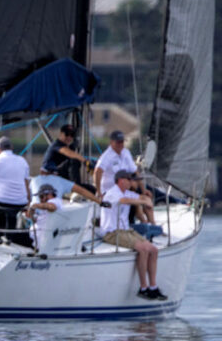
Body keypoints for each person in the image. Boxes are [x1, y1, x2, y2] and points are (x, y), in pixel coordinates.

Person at [100, 170, 167, 301]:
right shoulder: (112, 193)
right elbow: (124, 200)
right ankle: (143, 288)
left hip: (126, 230)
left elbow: (142, 198)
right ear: (121, 180)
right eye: (130, 180)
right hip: (112, 232)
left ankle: (153, 287)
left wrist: (147, 199)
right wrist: (143, 202)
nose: (133, 182)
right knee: (143, 249)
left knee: (153, 250)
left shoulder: (127, 192)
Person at [94, 131, 155, 224]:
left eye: (122, 142)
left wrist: (144, 190)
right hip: (111, 191)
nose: (121, 144)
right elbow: (97, 172)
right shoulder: (106, 156)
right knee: (134, 192)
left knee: (145, 196)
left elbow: (135, 172)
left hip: (125, 187)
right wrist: (99, 192)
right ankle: (141, 219)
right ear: (111, 142)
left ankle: (152, 225)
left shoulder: (126, 153)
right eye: (118, 142)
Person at [42, 123, 95, 192]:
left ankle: (77, 188)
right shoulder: (56, 145)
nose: (69, 137)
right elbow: (68, 152)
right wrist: (85, 161)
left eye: (72, 135)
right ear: (61, 134)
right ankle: (77, 190)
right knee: (74, 160)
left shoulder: (70, 147)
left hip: (61, 178)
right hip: (50, 176)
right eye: (67, 134)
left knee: (92, 189)